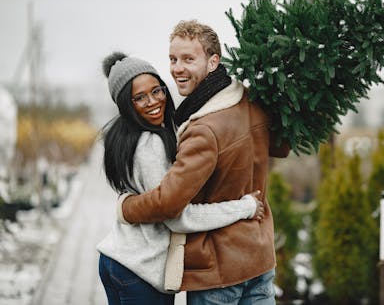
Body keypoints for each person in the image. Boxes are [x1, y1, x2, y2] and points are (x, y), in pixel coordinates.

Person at [117, 20, 290, 304]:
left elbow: (168, 204)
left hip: (218, 271)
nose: (177, 69)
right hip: (259, 257)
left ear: (213, 62)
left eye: (188, 59)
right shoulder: (250, 102)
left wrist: (126, 208)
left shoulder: (202, 129)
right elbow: (282, 147)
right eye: (173, 59)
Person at [97, 52, 265, 305]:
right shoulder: (151, 144)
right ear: (126, 105)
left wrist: (125, 207)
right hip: (140, 271)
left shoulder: (123, 136)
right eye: (139, 98)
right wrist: (245, 207)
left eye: (157, 91)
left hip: (116, 260)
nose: (153, 101)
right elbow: (177, 218)